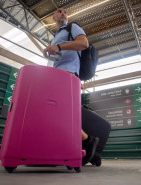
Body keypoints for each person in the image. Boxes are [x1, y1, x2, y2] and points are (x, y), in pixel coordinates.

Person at [43, 8, 99, 166]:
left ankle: (88, 141)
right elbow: (58, 56)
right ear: (53, 17)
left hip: (68, 74)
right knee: (56, 114)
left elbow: (83, 43)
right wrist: (52, 51)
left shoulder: (72, 27)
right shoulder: (56, 36)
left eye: (65, 12)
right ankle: (89, 152)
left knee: (62, 115)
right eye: (59, 12)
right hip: (56, 76)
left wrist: (59, 47)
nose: (63, 13)